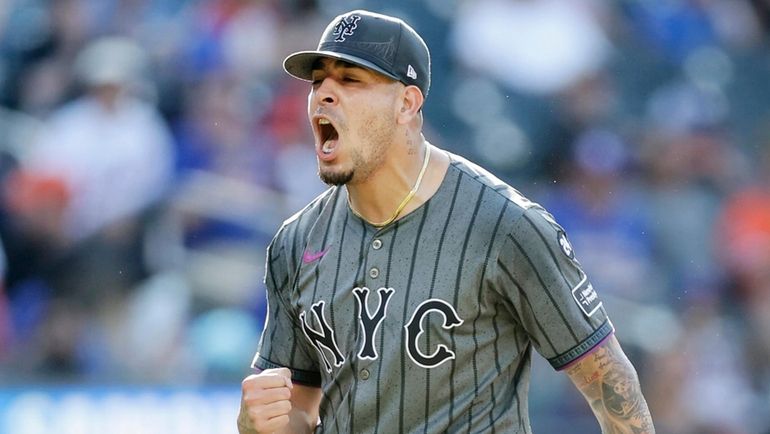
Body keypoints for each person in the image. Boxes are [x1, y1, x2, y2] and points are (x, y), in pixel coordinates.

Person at [238, 9, 655, 434]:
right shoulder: (295, 242)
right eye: (317, 82)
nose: (324, 95)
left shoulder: (505, 225)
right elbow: (297, 411)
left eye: (349, 80)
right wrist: (255, 424)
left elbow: (611, 384)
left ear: (407, 104)